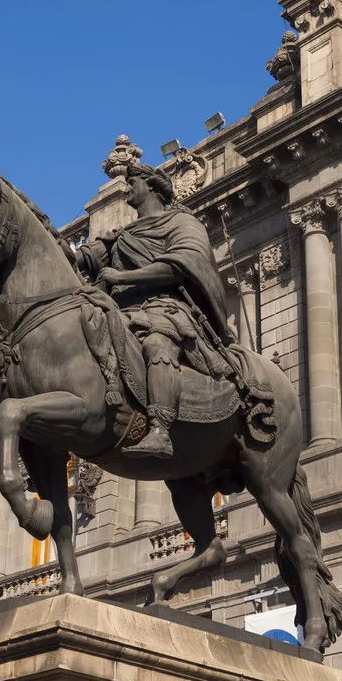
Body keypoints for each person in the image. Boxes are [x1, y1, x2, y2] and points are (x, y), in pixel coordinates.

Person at [75, 163, 232, 459]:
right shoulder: (124, 234)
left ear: (151, 186)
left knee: (157, 344)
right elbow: (88, 257)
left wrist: (122, 277)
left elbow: (180, 265)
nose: (128, 187)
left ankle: (160, 430)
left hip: (165, 308)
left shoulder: (182, 224)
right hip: (121, 311)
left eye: (133, 181)